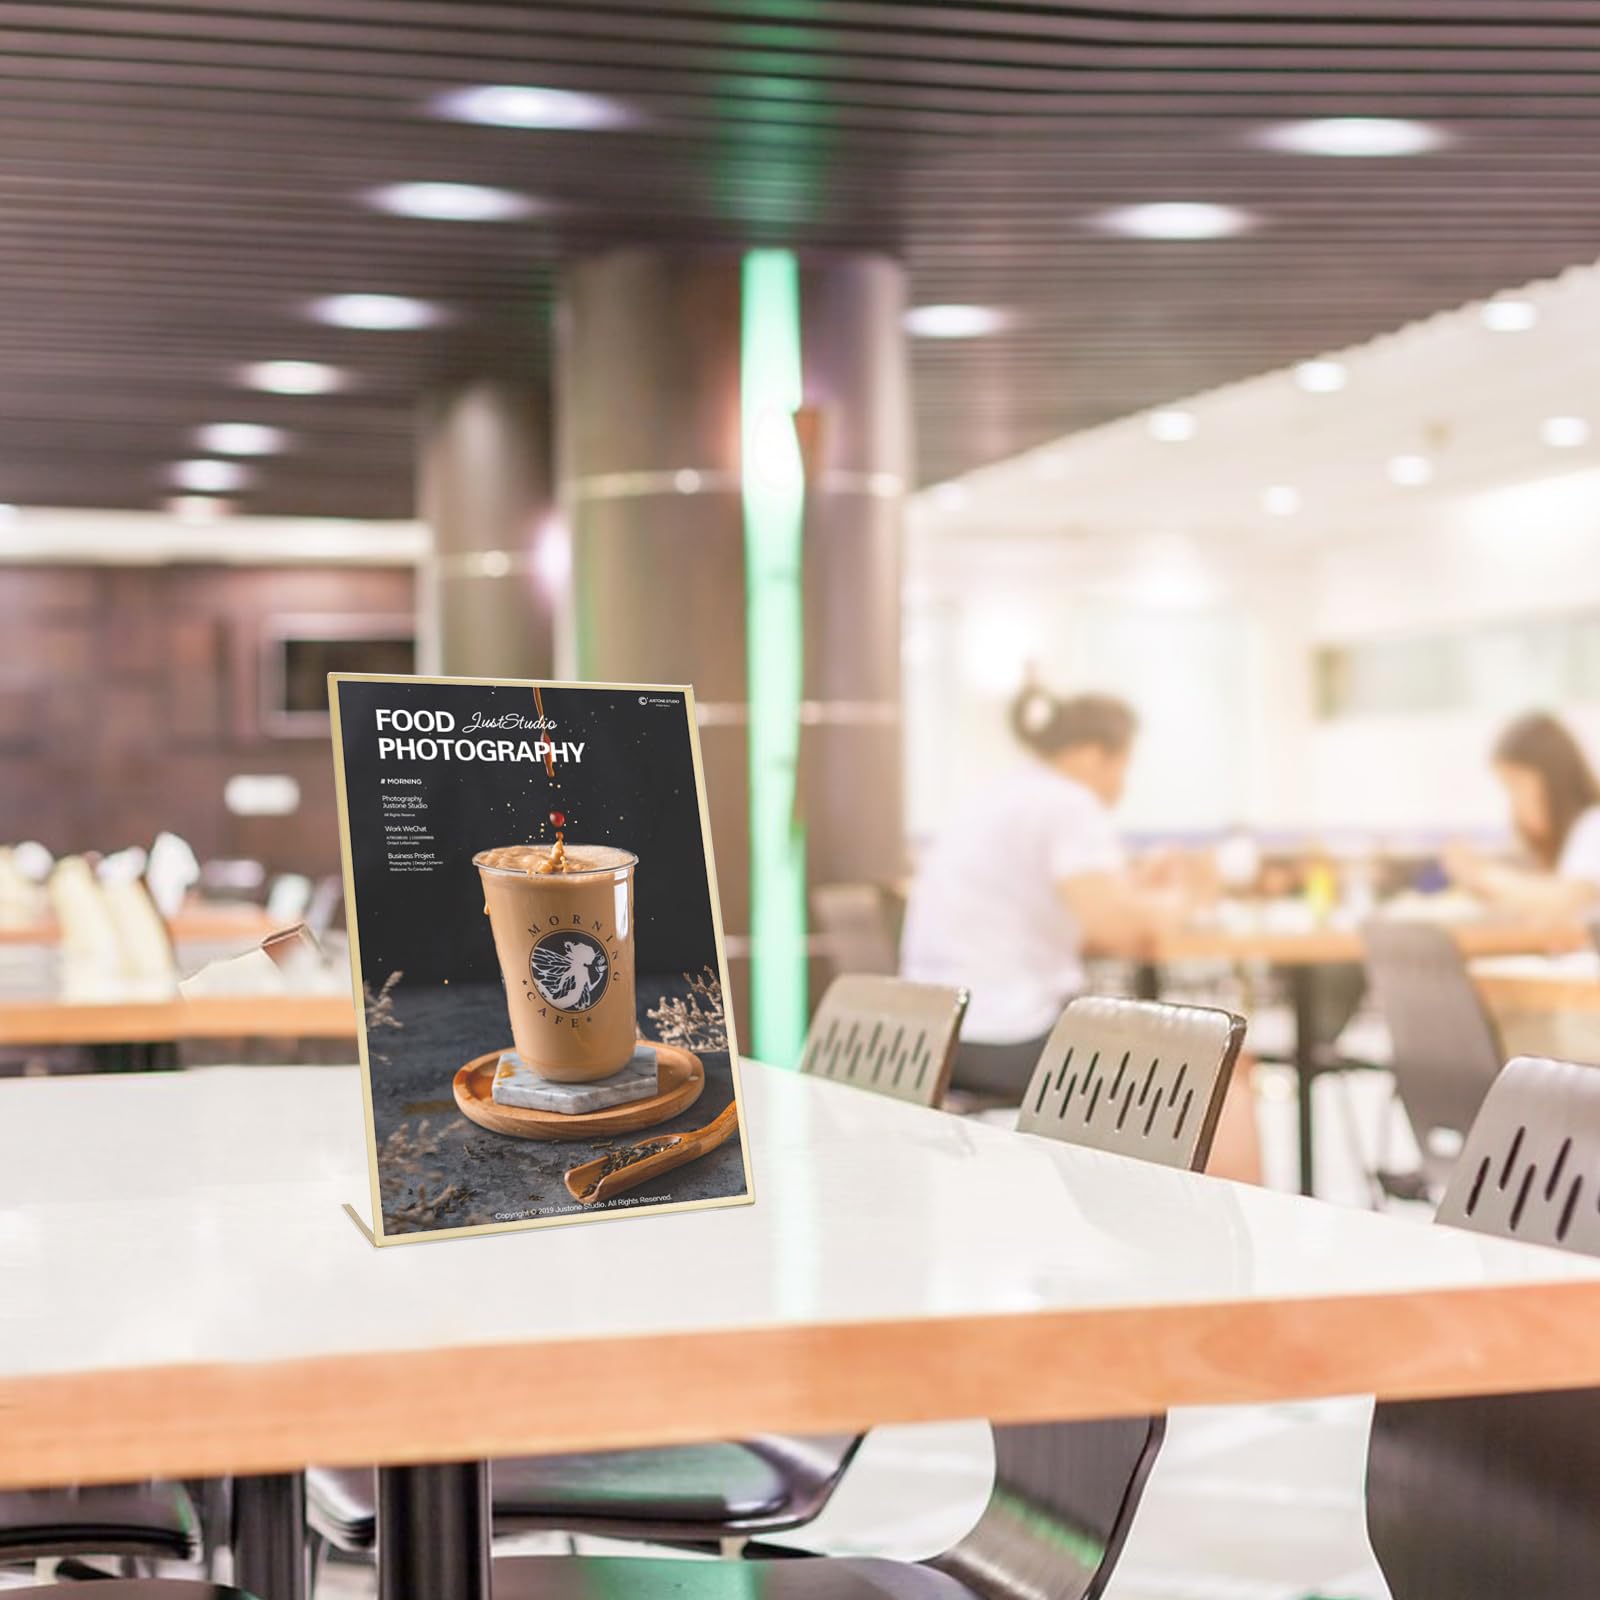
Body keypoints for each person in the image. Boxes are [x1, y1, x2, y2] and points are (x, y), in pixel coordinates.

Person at [901, 684, 1260, 1181]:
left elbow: (1070, 921)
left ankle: (1145, 1202)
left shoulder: (999, 795)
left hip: (936, 1033)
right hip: (1003, 1032)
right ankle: (1228, 1224)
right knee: (1219, 1061)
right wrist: (1188, 896)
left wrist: (1136, 890)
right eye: (1123, 767)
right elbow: (1116, 932)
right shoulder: (1068, 803)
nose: (1121, 786)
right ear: (1094, 756)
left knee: (1165, 1053)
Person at [1445, 711, 1600, 915]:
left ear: (1553, 778)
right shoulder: (1565, 845)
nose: (1514, 802)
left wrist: (1481, 875)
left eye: (1516, 784)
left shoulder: (1593, 826)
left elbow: (1570, 899)